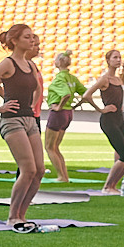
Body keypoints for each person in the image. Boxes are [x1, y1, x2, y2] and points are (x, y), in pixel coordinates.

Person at [0, 24, 46, 228]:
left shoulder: (30, 65)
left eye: (32, 37)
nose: (31, 40)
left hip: (30, 119)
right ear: (15, 41)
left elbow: (37, 88)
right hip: (12, 120)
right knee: (28, 169)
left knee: (39, 170)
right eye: (27, 37)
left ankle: (22, 214)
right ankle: (13, 215)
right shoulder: (8, 63)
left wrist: (33, 104)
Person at [83, 49, 124, 194]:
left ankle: (113, 185)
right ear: (108, 60)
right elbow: (87, 95)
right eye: (115, 57)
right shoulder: (105, 79)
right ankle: (107, 186)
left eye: (119, 57)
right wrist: (101, 109)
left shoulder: (118, 80)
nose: (118, 60)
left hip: (119, 119)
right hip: (109, 121)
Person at [42, 51, 84, 184]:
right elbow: (86, 93)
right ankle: (64, 176)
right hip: (68, 114)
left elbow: (65, 94)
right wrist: (76, 105)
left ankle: (61, 176)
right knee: (55, 147)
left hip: (58, 114)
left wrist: (59, 106)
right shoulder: (72, 78)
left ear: (59, 63)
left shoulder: (60, 78)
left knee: (49, 147)